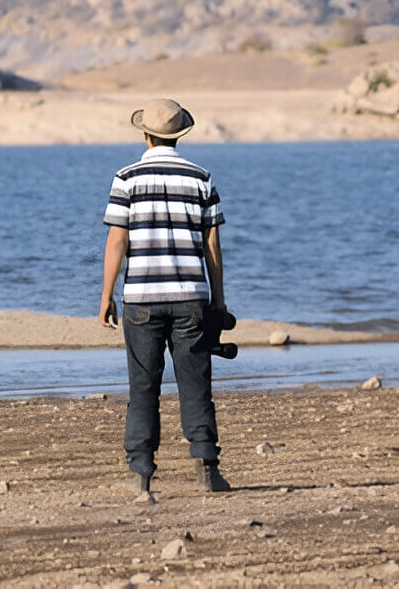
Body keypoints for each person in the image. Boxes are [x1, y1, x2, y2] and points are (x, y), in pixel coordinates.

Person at [98, 98, 231, 497]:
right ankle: (207, 468)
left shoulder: (126, 178)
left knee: (143, 385)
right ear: (180, 135)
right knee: (196, 382)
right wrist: (218, 300)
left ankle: (141, 472)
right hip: (191, 296)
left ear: (145, 134)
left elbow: (117, 239)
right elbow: (212, 244)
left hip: (141, 298)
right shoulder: (201, 178)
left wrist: (106, 295)